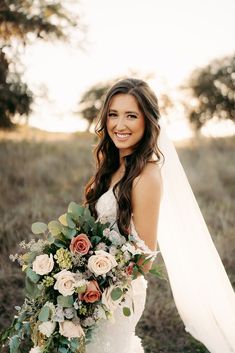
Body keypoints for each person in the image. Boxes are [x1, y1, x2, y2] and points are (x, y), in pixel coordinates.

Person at [84, 78, 235, 353]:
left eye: (131, 115)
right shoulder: (112, 164)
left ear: (148, 121)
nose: (120, 125)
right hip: (90, 286)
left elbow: (143, 259)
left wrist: (96, 273)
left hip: (116, 294)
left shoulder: (147, 176)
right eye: (113, 115)